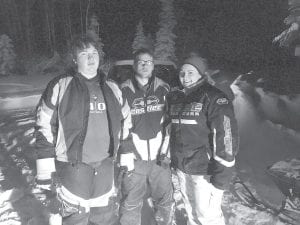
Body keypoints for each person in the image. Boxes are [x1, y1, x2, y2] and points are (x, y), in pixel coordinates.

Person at [34, 34, 134, 225]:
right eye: (84, 54)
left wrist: (126, 155)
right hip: (73, 168)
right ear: (74, 59)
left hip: (105, 166)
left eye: (94, 52)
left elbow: (126, 123)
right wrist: (45, 168)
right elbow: (43, 125)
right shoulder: (60, 85)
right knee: (75, 219)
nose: (91, 58)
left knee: (104, 218)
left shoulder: (112, 87)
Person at [166, 56, 239, 225]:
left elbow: (226, 136)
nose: (185, 76)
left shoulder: (214, 97)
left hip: (205, 171)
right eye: (182, 73)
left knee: (207, 217)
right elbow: (174, 132)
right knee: (190, 210)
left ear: (201, 74)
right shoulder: (176, 97)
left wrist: (223, 172)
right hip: (183, 168)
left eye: (191, 72)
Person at [119, 48, 174, 225]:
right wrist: (125, 152)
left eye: (148, 62)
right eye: (141, 62)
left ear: (153, 66)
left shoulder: (164, 88)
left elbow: (171, 121)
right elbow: (118, 124)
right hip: (135, 158)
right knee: (131, 201)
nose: (144, 65)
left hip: (160, 158)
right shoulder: (123, 90)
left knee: (165, 200)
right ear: (134, 65)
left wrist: (168, 150)